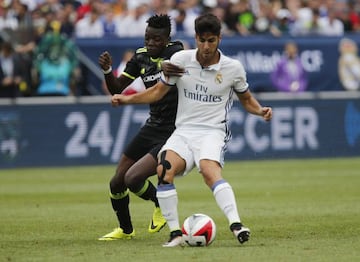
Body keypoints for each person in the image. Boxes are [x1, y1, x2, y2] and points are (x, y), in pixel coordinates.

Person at [111, 13, 273, 247]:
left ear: (219, 39)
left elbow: (246, 99)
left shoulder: (232, 68)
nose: (206, 47)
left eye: (212, 41)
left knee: (209, 171)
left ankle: (237, 224)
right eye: (202, 40)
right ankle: (176, 233)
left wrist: (260, 111)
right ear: (196, 38)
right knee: (163, 169)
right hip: (183, 131)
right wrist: (126, 99)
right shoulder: (181, 60)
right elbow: (158, 92)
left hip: (212, 132)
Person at [97, 14, 184, 241]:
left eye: (156, 39)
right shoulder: (140, 58)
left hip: (174, 130)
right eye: (147, 38)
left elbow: (177, 66)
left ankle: (159, 204)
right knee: (117, 181)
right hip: (152, 125)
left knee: (132, 179)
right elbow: (117, 87)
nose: (151, 43)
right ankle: (126, 231)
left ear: (167, 39)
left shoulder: (177, 51)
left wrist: (167, 64)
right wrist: (108, 71)